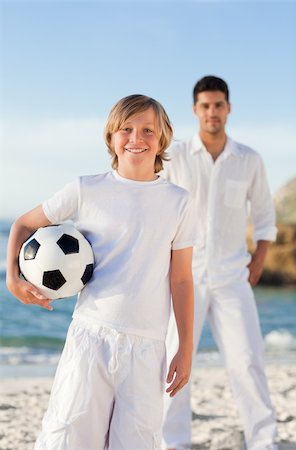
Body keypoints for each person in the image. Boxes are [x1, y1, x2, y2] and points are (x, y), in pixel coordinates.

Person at [6, 94, 197, 450]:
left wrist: (184, 347)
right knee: (68, 436)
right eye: (126, 129)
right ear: (111, 137)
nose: (136, 138)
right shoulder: (86, 189)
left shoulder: (179, 202)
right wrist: (13, 277)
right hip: (91, 336)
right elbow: (23, 224)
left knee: (137, 442)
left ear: (162, 139)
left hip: (148, 345)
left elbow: (182, 278)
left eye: (147, 130)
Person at [162, 76, 278, 450]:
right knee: (175, 363)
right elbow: (155, 207)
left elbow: (264, 219)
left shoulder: (249, 159)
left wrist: (258, 261)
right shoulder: (175, 156)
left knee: (247, 362)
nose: (212, 112)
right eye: (205, 106)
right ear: (195, 110)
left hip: (232, 277)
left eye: (218, 105)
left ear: (229, 108)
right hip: (184, 277)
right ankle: (172, 442)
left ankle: (264, 441)